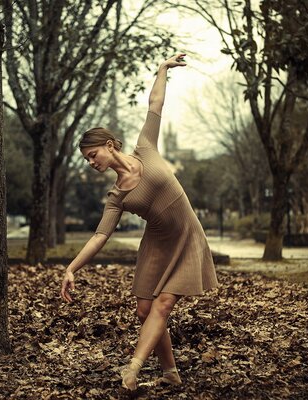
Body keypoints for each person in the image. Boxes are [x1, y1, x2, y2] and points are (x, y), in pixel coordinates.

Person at [60, 54, 219, 391]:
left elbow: (155, 104)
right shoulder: (116, 195)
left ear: (109, 145)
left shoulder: (145, 148)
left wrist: (162, 69)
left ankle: (132, 370)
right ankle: (171, 373)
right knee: (144, 311)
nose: (90, 163)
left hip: (187, 236)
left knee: (162, 304)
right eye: (86, 160)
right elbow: (100, 236)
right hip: (157, 244)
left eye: (92, 155)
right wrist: (72, 268)